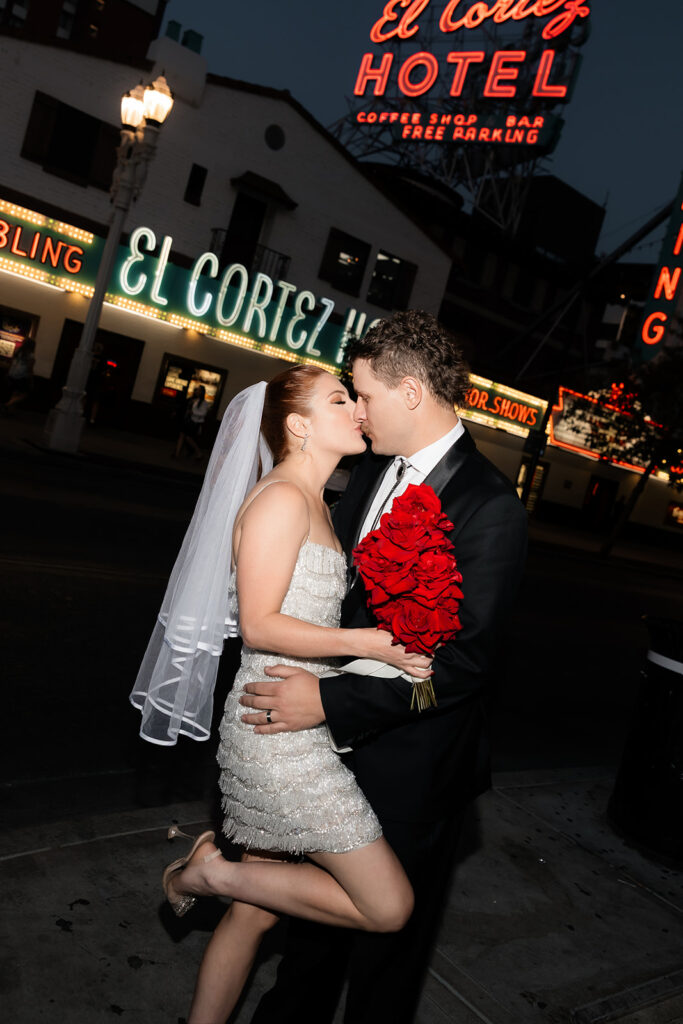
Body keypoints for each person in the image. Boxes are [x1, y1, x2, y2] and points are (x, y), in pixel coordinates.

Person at [241, 310, 529, 1024]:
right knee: (310, 945)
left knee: (384, 966)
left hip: (415, 765)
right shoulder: (366, 471)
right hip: (328, 755)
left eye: (363, 394)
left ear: (409, 393)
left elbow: (463, 667)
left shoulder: (488, 507)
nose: (355, 408)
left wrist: (331, 706)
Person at [130, 364, 434, 1024]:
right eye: (338, 398)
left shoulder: (315, 500)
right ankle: (206, 873)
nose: (356, 408)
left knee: (255, 913)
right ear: (297, 424)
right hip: (274, 736)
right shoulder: (280, 500)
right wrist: (373, 643)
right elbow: (261, 623)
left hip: (295, 718)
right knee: (388, 907)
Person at [174, 383, 210, 460]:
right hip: (188, 421)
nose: (197, 391)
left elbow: (203, 414)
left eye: (199, 390)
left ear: (202, 392)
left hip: (195, 422)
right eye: (197, 390)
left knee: (188, 438)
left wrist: (193, 412)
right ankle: (177, 454)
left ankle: (199, 453)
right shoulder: (193, 399)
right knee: (182, 435)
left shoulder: (204, 403)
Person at [2, 337, 35, 412]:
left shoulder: (17, 350)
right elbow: (30, 369)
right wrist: (31, 380)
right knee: (24, 394)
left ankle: (10, 410)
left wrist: (8, 372)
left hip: (12, 374)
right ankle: (8, 404)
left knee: (15, 392)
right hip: (21, 376)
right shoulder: (30, 355)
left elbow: (11, 362)